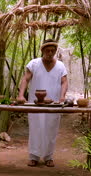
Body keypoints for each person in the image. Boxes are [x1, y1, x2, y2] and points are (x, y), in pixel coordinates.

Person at [17, 39, 69, 167]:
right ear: (42, 51)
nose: (50, 53)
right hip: (35, 103)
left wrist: (62, 97)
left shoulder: (60, 66)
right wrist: (21, 95)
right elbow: (26, 79)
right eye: (47, 50)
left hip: (54, 103)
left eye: (53, 51)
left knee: (51, 129)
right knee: (35, 128)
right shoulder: (34, 64)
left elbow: (64, 82)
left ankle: (48, 157)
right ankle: (33, 156)